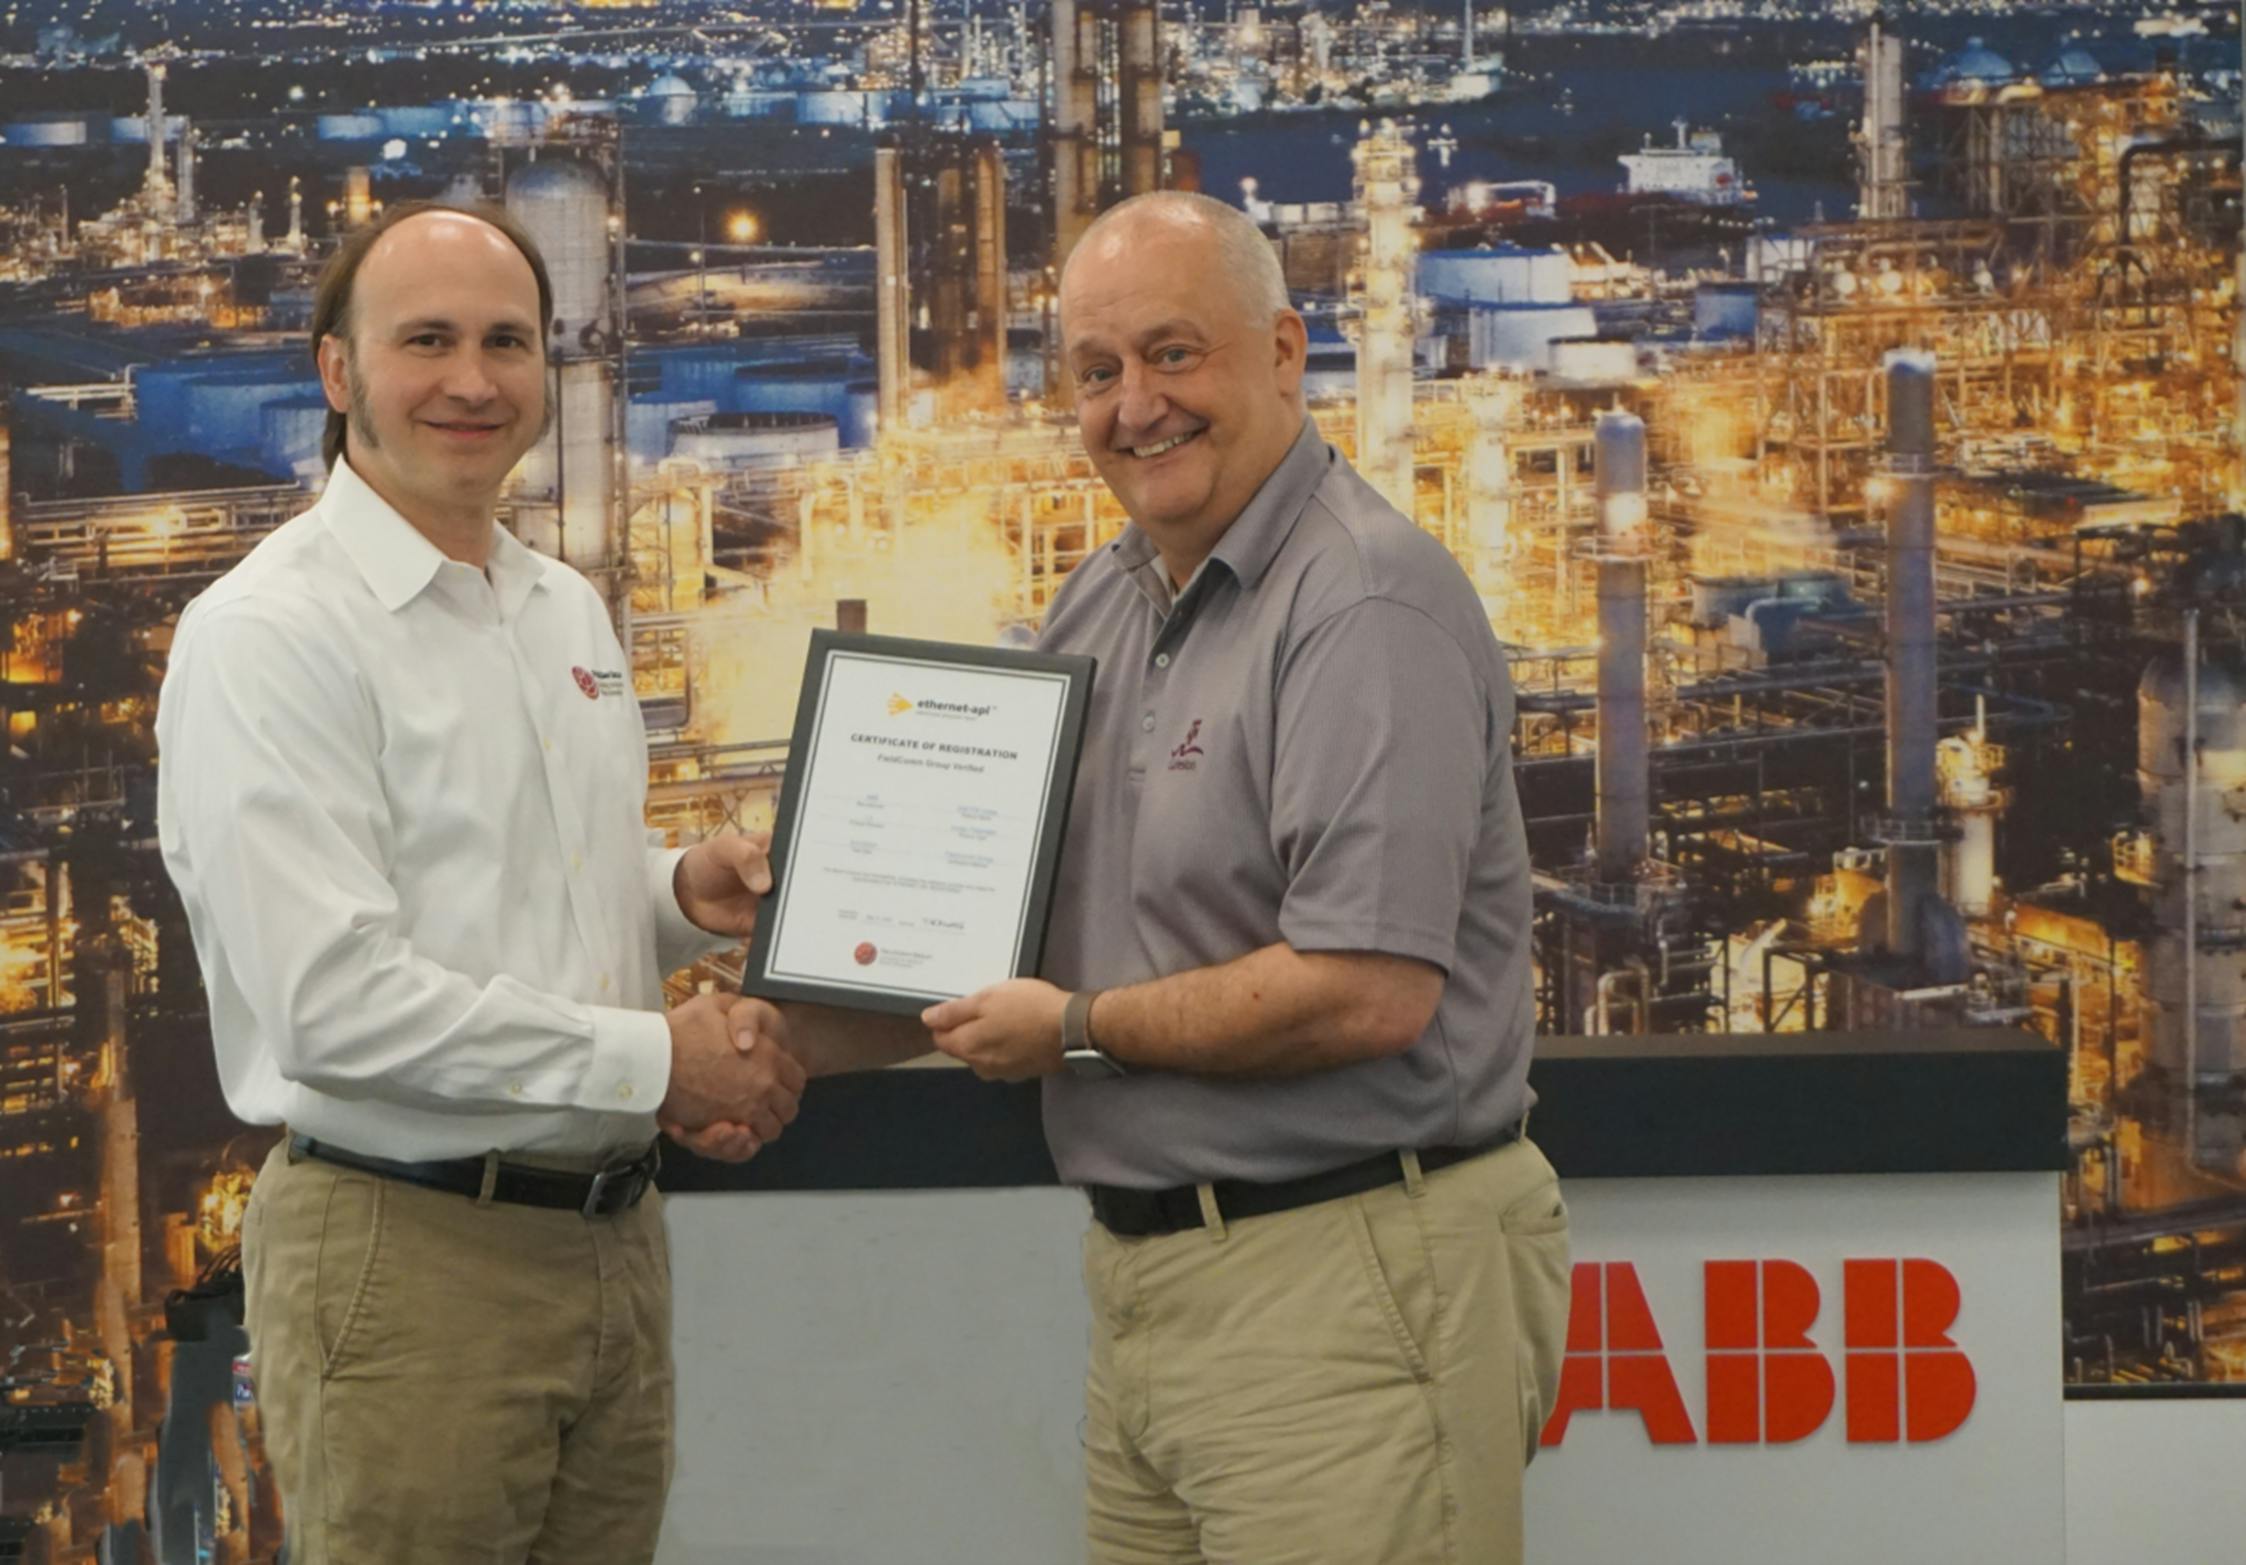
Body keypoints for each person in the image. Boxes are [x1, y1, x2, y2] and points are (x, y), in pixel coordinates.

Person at [916, 191, 1573, 1564]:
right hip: (1153, 1289)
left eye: (1173, 354)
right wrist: (758, 999)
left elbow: (1365, 988)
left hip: (1348, 1275)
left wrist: (1078, 1029)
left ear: (1283, 351)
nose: (1133, 405)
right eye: (1096, 372)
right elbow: (990, 913)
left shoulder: (1361, 605)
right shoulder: (1106, 601)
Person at [155, 201, 800, 1565]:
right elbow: (335, 1000)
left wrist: (682, 888)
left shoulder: (555, 607)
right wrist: (656, 1060)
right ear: (338, 373)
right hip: (411, 1250)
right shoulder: (271, 637)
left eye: (508, 341)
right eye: (427, 340)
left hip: (609, 1249)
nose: (472, 379)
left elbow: (527, 891)